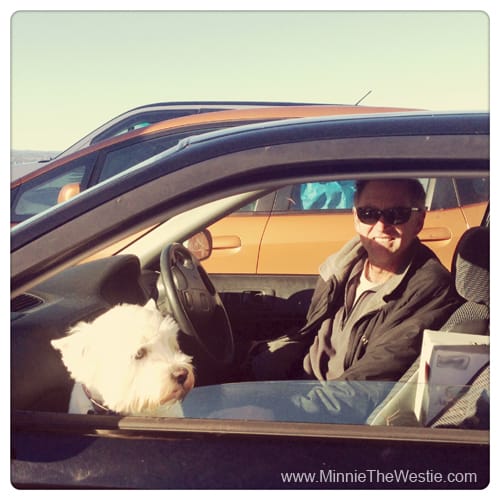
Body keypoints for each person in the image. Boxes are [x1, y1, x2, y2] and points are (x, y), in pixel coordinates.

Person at [251, 178, 462, 383]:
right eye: (368, 214)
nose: (381, 226)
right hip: (300, 377)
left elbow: (366, 382)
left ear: (419, 221)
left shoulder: (428, 289)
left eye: (397, 214)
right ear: (355, 217)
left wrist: (287, 409)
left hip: (330, 404)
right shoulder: (343, 266)